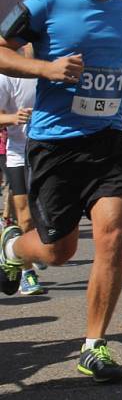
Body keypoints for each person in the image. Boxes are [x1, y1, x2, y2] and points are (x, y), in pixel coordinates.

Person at [0, 0, 122, 381]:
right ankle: (12, 248)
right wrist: (45, 67)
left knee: (113, 236)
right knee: (58, 251)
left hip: (106, 141)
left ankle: (93, 345)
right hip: (55, 143)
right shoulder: (45, 4)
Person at [0, 47, 40, 294]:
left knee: (48, 218)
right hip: (18, 154)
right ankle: (27, 272)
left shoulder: (54, 72)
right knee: (24, 216)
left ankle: (15, 245)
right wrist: (14, 117)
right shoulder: (9, 75)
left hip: (51, 153)